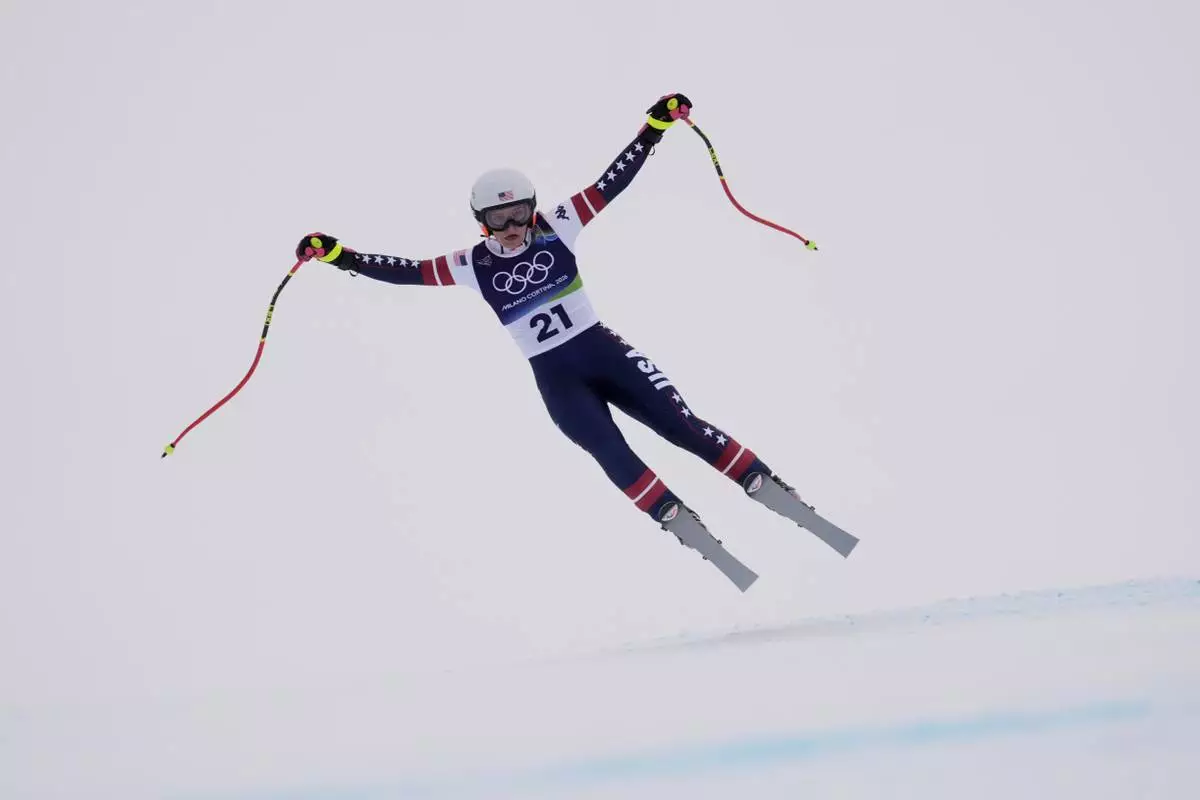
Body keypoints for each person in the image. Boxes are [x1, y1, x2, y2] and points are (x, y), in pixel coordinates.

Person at [295, 93, 808, 579]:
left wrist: (652, 129)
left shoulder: (557, 225)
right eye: (500, 218)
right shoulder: (471, 264)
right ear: (482, 223)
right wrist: (341, 256)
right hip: (558, 382)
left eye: (519, 211)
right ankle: (676, 517)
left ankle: (761, 480)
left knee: (680, 424)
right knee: (608, 450)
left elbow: (611, 182)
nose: (513, 224)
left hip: (603, 353)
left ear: (533, 207)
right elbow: (406, 271)